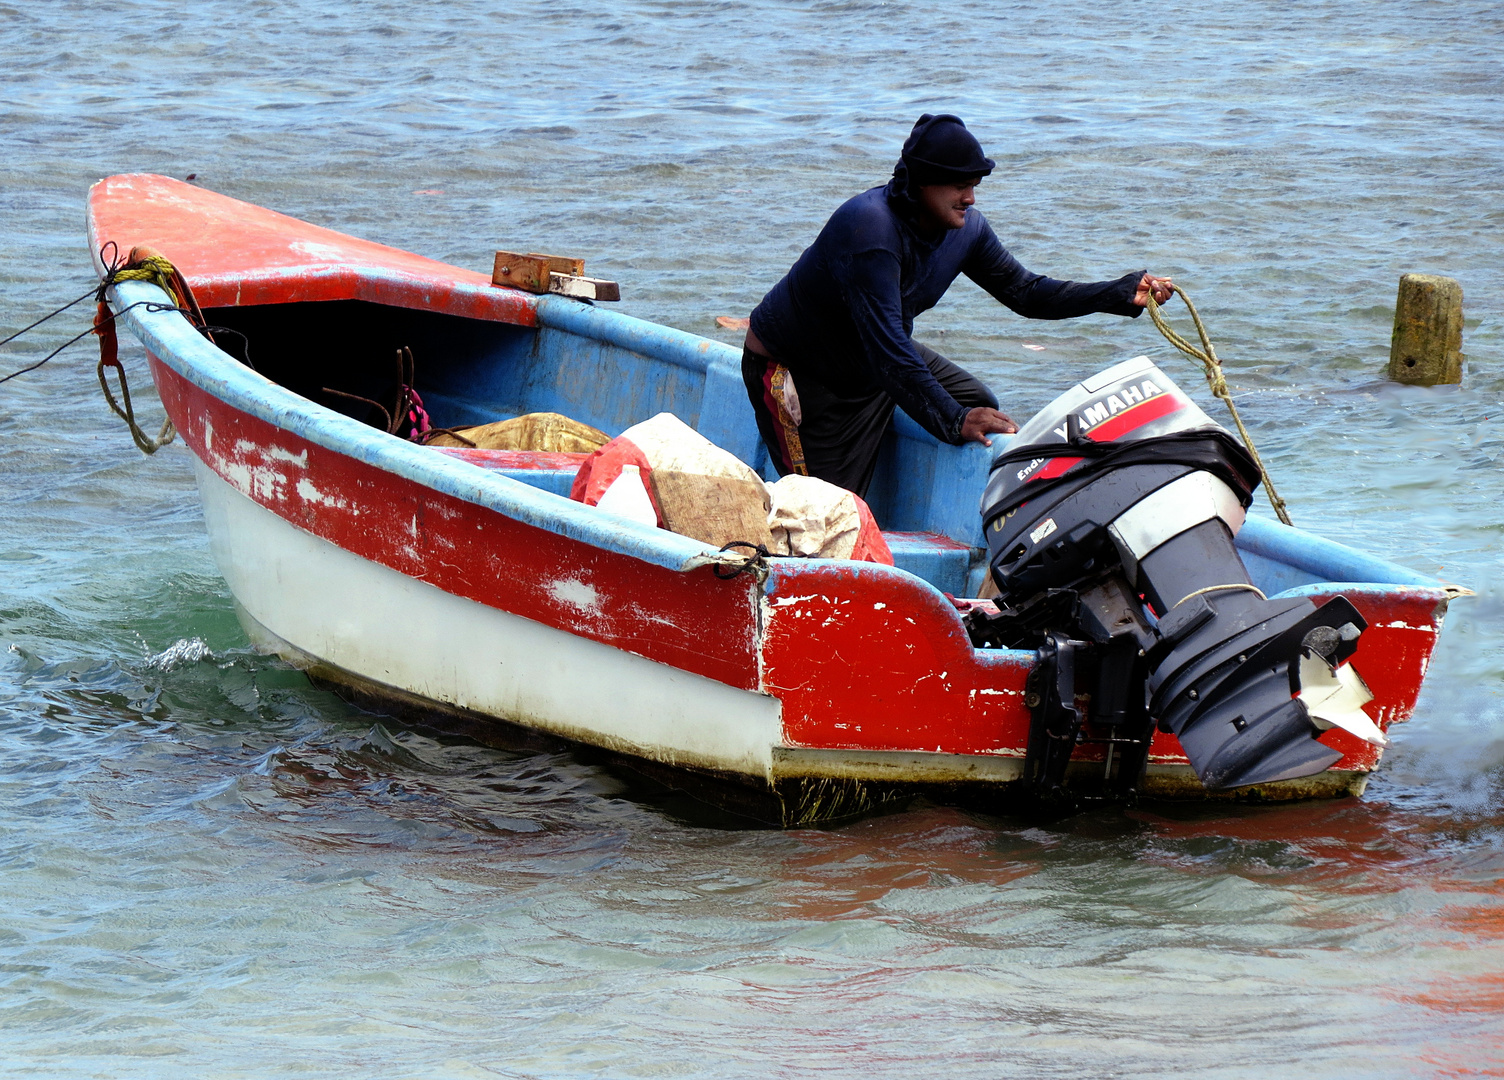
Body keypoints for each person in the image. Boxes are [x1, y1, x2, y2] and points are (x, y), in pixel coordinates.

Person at [741, 113, 1175, 497]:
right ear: (921, 182)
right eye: (960, 185)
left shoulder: (966, 229)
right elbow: (891, 347)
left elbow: (1026, 292)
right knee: (824, 515)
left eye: (974, 185)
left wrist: (1116, 292)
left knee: (978, 401)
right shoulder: (869, 228)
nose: (970, 198)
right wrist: (952, 420)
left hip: (871, 367)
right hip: (798, 373)